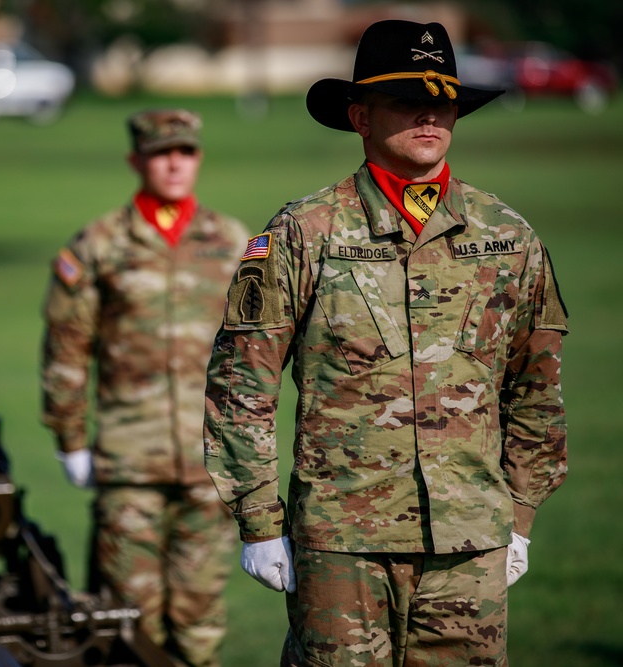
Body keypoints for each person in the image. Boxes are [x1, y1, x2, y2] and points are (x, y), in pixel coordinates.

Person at [203, 20, 569, 666]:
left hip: (470, 546)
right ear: (359, 116)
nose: (429, 114)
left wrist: (520, 511)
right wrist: (259, 520)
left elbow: (537, 385)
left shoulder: (507, 235)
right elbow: (241, 384)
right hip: (342, 546)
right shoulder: (305, 231)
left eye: (443, 100)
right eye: (405, 100)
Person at [40, 109, 249, 667]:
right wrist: (70, 439)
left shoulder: (230, 242)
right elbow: (66, 347)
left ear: (199, 158)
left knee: (200, 623)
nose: (174, 163)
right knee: (125, 624)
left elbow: (258, 351)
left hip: (211, 464)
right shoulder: (100, 245)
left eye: (185, 151)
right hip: (129, 462)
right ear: (136, 161)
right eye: (161, 153)